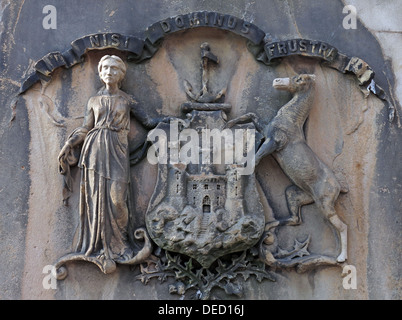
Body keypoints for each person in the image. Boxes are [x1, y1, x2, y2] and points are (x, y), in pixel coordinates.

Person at [58, 55, 170, 273]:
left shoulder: (127, 100)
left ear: (121, 74)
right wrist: (68, 144)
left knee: (117, 199)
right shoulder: (93, 101)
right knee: (95, 198)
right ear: (100, 73)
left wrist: (171, 122)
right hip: (94, 151)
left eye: (114, 68)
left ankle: (121, 245)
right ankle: (98, 246)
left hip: (117, 150)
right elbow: (85, 127)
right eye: (105, 68)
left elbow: (148, 121)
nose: (109, 71)